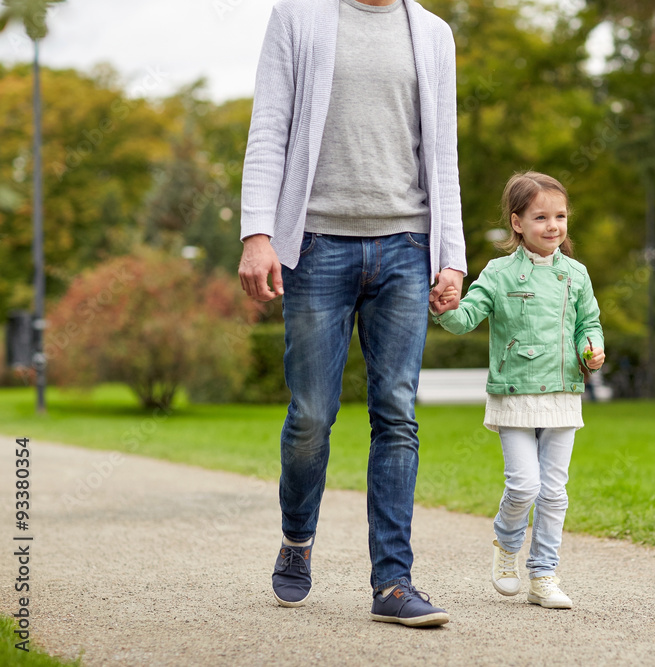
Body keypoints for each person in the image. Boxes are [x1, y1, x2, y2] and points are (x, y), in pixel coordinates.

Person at [237, 0, 465, 628]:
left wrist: (452, 255)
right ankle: (297, 535)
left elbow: (441, 151)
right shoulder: (300, 17)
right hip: (314, 244)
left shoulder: (433, 33)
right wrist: (258, 232)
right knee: (312, 414)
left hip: (407, 246)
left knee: (397, 413)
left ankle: (393, 583)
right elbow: (269, 127)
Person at [430, 171, 604, 610]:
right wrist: (446, 308)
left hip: (563, 392)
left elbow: (590, 324)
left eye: (560, 216)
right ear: (517, 222)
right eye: (541, 216)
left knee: (554, 492)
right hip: (514, 394)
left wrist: (592, 349)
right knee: (525, 485)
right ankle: (507, 545)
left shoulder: (576, 275)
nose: (553, 226)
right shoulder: (499, 273)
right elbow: (467, 316)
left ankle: (543, 574)